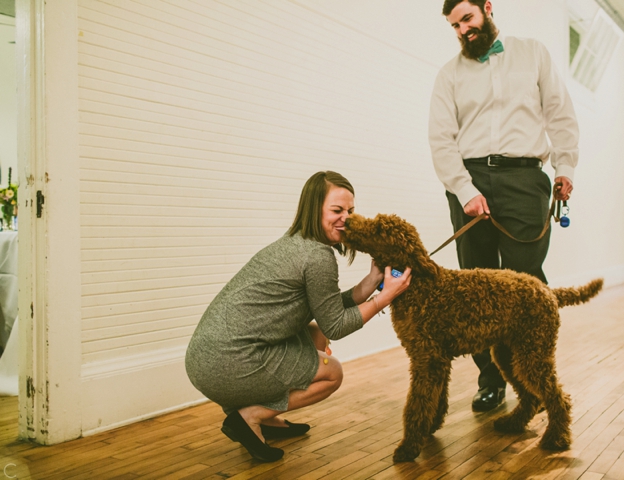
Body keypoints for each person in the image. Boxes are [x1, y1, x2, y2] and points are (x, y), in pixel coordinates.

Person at [185, 171, 412, 462]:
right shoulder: (317, 256)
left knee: (317, 334)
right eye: (337, 210)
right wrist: (386, 296)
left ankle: (268, 421)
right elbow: (338, 324)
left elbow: (327, 308)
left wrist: (371, 281)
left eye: (351, 211)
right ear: (313, 208)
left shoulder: (295, 242)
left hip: (206, 357)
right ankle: (251, 416)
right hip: (229, 362)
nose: (347, 219)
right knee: (332, 373)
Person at [429, 0, 579, 412]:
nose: (462, 30)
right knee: (477, 287)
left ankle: (534, 375)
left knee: (527, 281)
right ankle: (490, 380)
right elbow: (441, 140)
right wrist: (464, 189)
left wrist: (565, 166)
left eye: (468, 18)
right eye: (455, 25)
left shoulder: (533, 54)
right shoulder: (449, 76)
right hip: (470, 182)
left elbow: (560, 114)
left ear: (487, 8)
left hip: (525, 178)